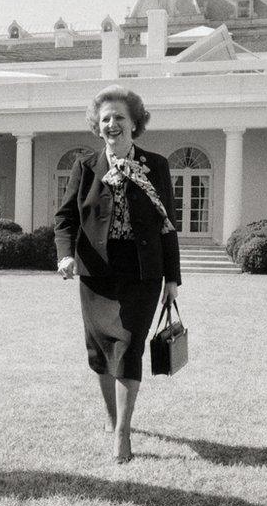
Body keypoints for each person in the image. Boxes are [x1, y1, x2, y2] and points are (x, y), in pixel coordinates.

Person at [55, 85, 181, 463]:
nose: (112, 124)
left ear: (134, 124)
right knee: (100, 351)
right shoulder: (86, 166)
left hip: (142, 271)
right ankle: (112, 420)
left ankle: (123, 434)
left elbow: (167, 223)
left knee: (128, 346)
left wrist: (172, 279)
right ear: (98, 125)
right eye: (106, 118)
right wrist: (65, 256)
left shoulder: (155, 165)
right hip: (97, 273)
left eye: (119, 118)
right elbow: (65, 217)